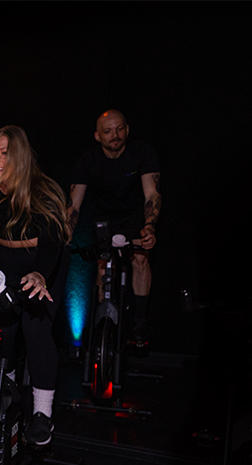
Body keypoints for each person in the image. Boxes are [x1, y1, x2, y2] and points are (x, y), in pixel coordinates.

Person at [0, 126, 71, 446]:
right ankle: (7, 399)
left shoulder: (42, 191)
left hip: (44, 268)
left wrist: (40, 274)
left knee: (35, 329)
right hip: (7, 266)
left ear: (19, 155)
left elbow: (52, 242)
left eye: (4, 153)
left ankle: (42, 415)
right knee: (3, 331)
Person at [68, 109, 161, 344]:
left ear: (127, 130)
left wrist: (149, 227)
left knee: (140, 259)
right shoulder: (88, 160)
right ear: (98, 136)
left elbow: (152, 195)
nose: (115, 135)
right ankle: (103, 320)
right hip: (104, 220)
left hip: (134, 218)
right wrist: (66, 230)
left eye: (119, 129)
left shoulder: (142, 153)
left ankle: (140, 320)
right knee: (103, 265)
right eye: (108, 131)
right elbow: (74, 205)